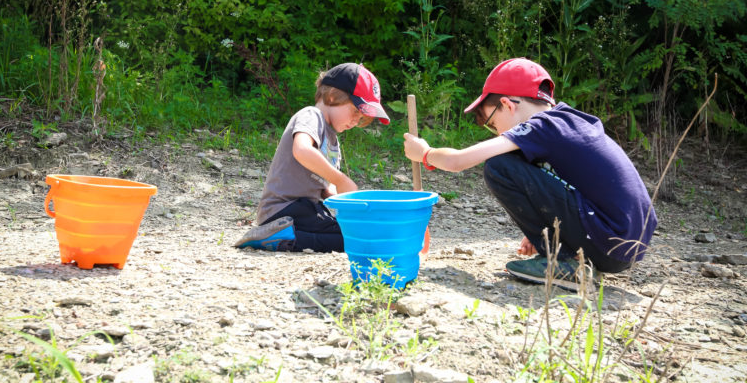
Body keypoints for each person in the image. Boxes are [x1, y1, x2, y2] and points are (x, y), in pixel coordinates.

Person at [403, 57, 657, 290]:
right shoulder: (568, 122)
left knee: (499, 166)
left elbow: (459, 161)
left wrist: (425, 153)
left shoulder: (542, 126)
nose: (498, 132)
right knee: (513, 162)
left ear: (507, 104)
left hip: (607, 240)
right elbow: (568, 183)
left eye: (492, 124)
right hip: (623, 247)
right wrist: (544, 228)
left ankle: (568, 264)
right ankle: (571, 259)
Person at [235, 62, 390, 252]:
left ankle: (282, 237)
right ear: (333, 96)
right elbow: (301, 150)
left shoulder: (332, 140)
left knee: (354, 234)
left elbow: (326, 188)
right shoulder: (311, 115)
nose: (356, 120)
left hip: (303, 211)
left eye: (361, 118)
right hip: (284, 210)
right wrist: (341, 179)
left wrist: (354, 204)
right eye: (356, 111)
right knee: (353, 240)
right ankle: (278, 235)